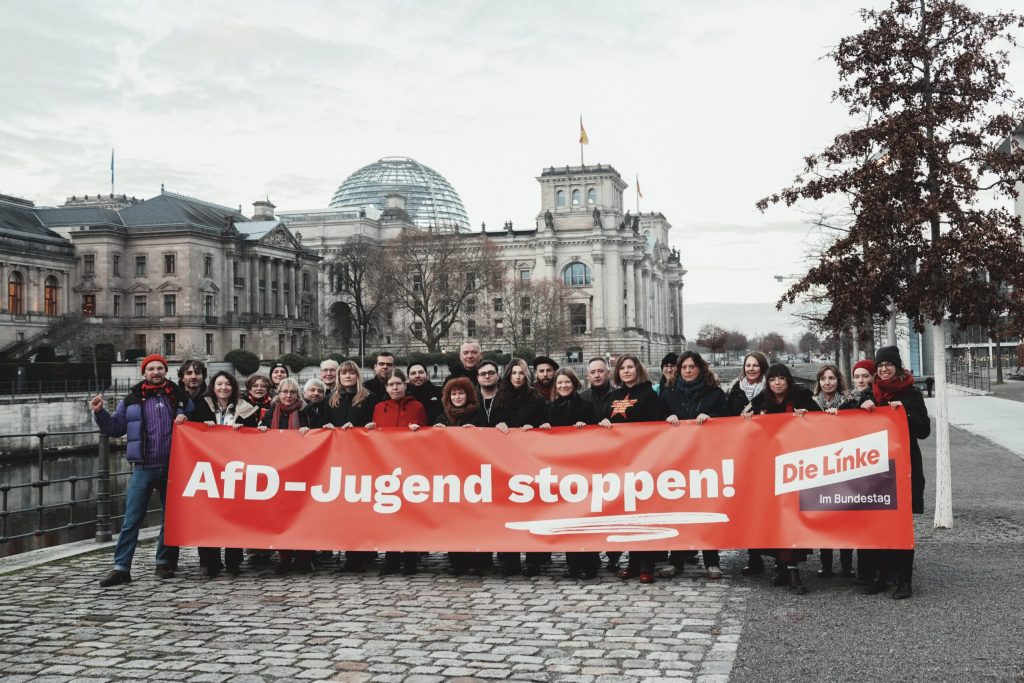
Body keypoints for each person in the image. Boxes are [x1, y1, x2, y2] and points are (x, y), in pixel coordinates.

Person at [91, 354, 190, 587]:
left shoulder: (178, 396)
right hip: (143, 466)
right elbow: (115, 429)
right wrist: (99, 413)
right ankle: (121, 568)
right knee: (131, 520)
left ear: (165, 372)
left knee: (171, 518)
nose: (156, 372)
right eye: (151, 369)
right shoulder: (131, 400)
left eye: (160, 368)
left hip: (173, 467)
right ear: (143, 373)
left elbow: (197, 422)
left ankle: (163, 562)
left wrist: (187, 417)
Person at [744, 363, 821, 594]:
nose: (777, 383)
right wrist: (746, 419)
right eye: (772, 379)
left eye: (781, 379)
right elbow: (742, 425)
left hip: (798, 469)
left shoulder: (803, 397)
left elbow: (824, 423)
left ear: (788, 380)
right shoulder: (760, 401)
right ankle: (785, 567)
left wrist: (808, 417)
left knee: (792, 518)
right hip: (769, 470)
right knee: (775, 518)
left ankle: (792, 569)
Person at [859, 346, 929, 600]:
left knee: (901, 525)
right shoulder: (871, 393)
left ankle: (904, 580)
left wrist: (905, 415)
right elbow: (849, 422)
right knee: (878, 523)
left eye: (888, 364)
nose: (884, 369)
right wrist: (860, 405)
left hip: (904, 469)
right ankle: (880, 575)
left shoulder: (911, 393)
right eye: (880, 366)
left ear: (897, 367)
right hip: (875, 470)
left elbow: (924, 430)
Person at [659, 351, 731, 580]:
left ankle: (712, 560)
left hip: (706, 461)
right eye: (684, 367)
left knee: (706, 510)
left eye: (692, 366)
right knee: (678, 510)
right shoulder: (669, 393)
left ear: (700, 368)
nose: (688, 371)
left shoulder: (714, 393)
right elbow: (655, 419)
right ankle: (676, 559)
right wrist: (666, 418)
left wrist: (712, 418)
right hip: (677, 461)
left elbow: (728, 419)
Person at [187, 370, 261, 577]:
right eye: (219, 384)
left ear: (233, 387)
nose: (223, 388)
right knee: (209, 515)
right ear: (213, 386)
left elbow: (255, 435)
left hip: (235, 469)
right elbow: (189, 429)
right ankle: (210, 561)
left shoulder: (245, 409)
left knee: (234, 516)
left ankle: (233, 561)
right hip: (208, 469)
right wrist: (202, 427)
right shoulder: (202, 407)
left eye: (227, 384)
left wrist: (245, 429)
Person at [598, 354, 664, 584]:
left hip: (643, 462)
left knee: (644, 514)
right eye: (622, 368)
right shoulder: (612, 396)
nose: (626, 371)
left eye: (630, 367)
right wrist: (603, 423)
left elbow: (657, 427)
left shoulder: (649, 395)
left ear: (637, 369)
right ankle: (633, 563)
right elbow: (599, 423)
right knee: (628, 516)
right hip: (618, 464)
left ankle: (647, 565)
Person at [538, 368, 599, 579]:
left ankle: (590, 564)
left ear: (574, 383)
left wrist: (587, 427)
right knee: (568, 519)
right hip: (562, 471)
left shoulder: (586, 405)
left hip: (584, 469)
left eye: (567, 382)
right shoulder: (550, 407)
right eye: (560, 383)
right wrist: (544, 428)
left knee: (585, 517)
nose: (563, 386)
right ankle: (573, 564)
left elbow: (597, 434)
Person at [366, 369, 426, 576]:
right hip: (386, 469)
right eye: (391, 385)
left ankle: (410, 560)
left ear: (405, 385)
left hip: (411, 468)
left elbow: (427, 434)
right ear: (386, 388)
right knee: (389, 515)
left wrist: (419, 429)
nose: (394, 388)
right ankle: (391, 560)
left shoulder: (417, 407)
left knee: (410, 516)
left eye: (398, 384)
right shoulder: (378, 407)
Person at [258, 377, 320, 574]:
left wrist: (309, 432)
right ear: (278, 393)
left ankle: (304, 558)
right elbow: (261, 439)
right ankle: (285, 557)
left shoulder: (307, 412)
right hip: (278, 472)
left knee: (305, 515)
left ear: (297, 394)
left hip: (304, 471)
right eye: (284, 391)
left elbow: (322, 434)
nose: (288, 396)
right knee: (281, 516)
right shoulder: (270, 414)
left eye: (292, 392)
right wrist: (262, 431)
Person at [491, 359, 547, 576]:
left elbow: (545, 425)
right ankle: (510, 560)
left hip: (530, 462)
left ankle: (533, 560)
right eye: (513, 373)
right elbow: (491, 428)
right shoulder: (499, 399)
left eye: (521, 373)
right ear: (508, 375)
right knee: (508, 513)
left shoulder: (536, 399)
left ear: (526, 376)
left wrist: (534, 430)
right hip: (506, 463)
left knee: (532, 513)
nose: (517, 377)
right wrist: (498, 427)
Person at [323, 360, 378, 572]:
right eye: (343, 373)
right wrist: (328, 428)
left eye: (351, 373)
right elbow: (324, 425)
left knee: (362, 508)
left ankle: (363, 554)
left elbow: (373, 424)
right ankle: (349, 553)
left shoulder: (368, 397)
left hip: (362, 458)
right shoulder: (331, 399)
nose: (347, 376)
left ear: (357, 375)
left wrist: (360, 429)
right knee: (344, 510)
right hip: (339, 459)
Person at [434, 377, 485, 575]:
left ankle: (476, 561)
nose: (457, 397)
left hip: (473, 475)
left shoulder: (479, 416)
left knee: (473, 520)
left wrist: (478, 433)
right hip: (450, 477)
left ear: (469, 395)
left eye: (461, 393)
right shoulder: (441, 418)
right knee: (453, 520)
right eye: (453, 394)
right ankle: (457, 562)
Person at [814, 363, 857, 578]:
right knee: (824, 515)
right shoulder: (812, 405)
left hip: (844, 464)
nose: (827, 382)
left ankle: (847, 562)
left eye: (831, 378)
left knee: (845, 515)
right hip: (820, 467)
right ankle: (826, 562)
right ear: (819, 382)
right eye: (823, 379)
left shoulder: (849, 402)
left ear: (837, 380)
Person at [727, 351, 768, 416]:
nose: (751, 368)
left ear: (763, 367)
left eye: (755, 365)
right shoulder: (736, 387)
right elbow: (728, 412)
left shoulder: (769, 389)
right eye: (748, 365)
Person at [580, 357, 613, 422]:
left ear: (608, 373)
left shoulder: (620, 395)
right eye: (592, 372)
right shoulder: (581, 398)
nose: (596, 375)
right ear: (588, 376)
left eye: (600, 371)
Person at [474, 360, 501, 427]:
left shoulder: (509, 397)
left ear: (498, 376)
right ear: (478, 378)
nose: (487, 376)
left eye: (491, 373)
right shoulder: (470, 399)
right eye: (483, 374)